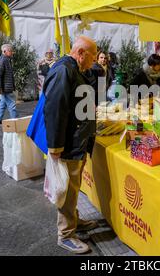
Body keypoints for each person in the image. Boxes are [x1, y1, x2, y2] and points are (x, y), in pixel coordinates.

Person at [43, 36, 98, 254]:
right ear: (81, 53)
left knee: (73, 188)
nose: (94, 62)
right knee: (66, 189)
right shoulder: (64, 71)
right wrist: (55, 146)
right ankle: (65, 234)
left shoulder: (72, 69)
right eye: (93, 56)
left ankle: (73, 220)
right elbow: (55, 110)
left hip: (76, 141)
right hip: (68, 144)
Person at [0, 44, 18, 125]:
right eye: (10, 51)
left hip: (5, 87)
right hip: (5, 88)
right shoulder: (2, 60)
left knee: (3, 105)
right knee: (12, 105)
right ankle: (16, 122)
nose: (12, 52)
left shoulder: (6, 60)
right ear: (4, 51)